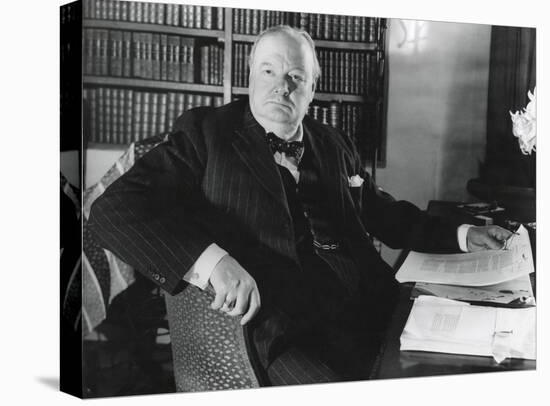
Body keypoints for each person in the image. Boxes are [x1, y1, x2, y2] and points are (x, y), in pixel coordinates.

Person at [88, 25, 513, 386]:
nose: (281, 86)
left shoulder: (332, 143)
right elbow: (114, 209)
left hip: (367, 308)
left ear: (312, 88)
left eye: (295, 76)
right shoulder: (206, 135)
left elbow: (379, 211)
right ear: (250, 76)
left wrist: (462, 234)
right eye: (269, 71)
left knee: (463, 368)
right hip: (280, 331)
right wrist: (211, 263)